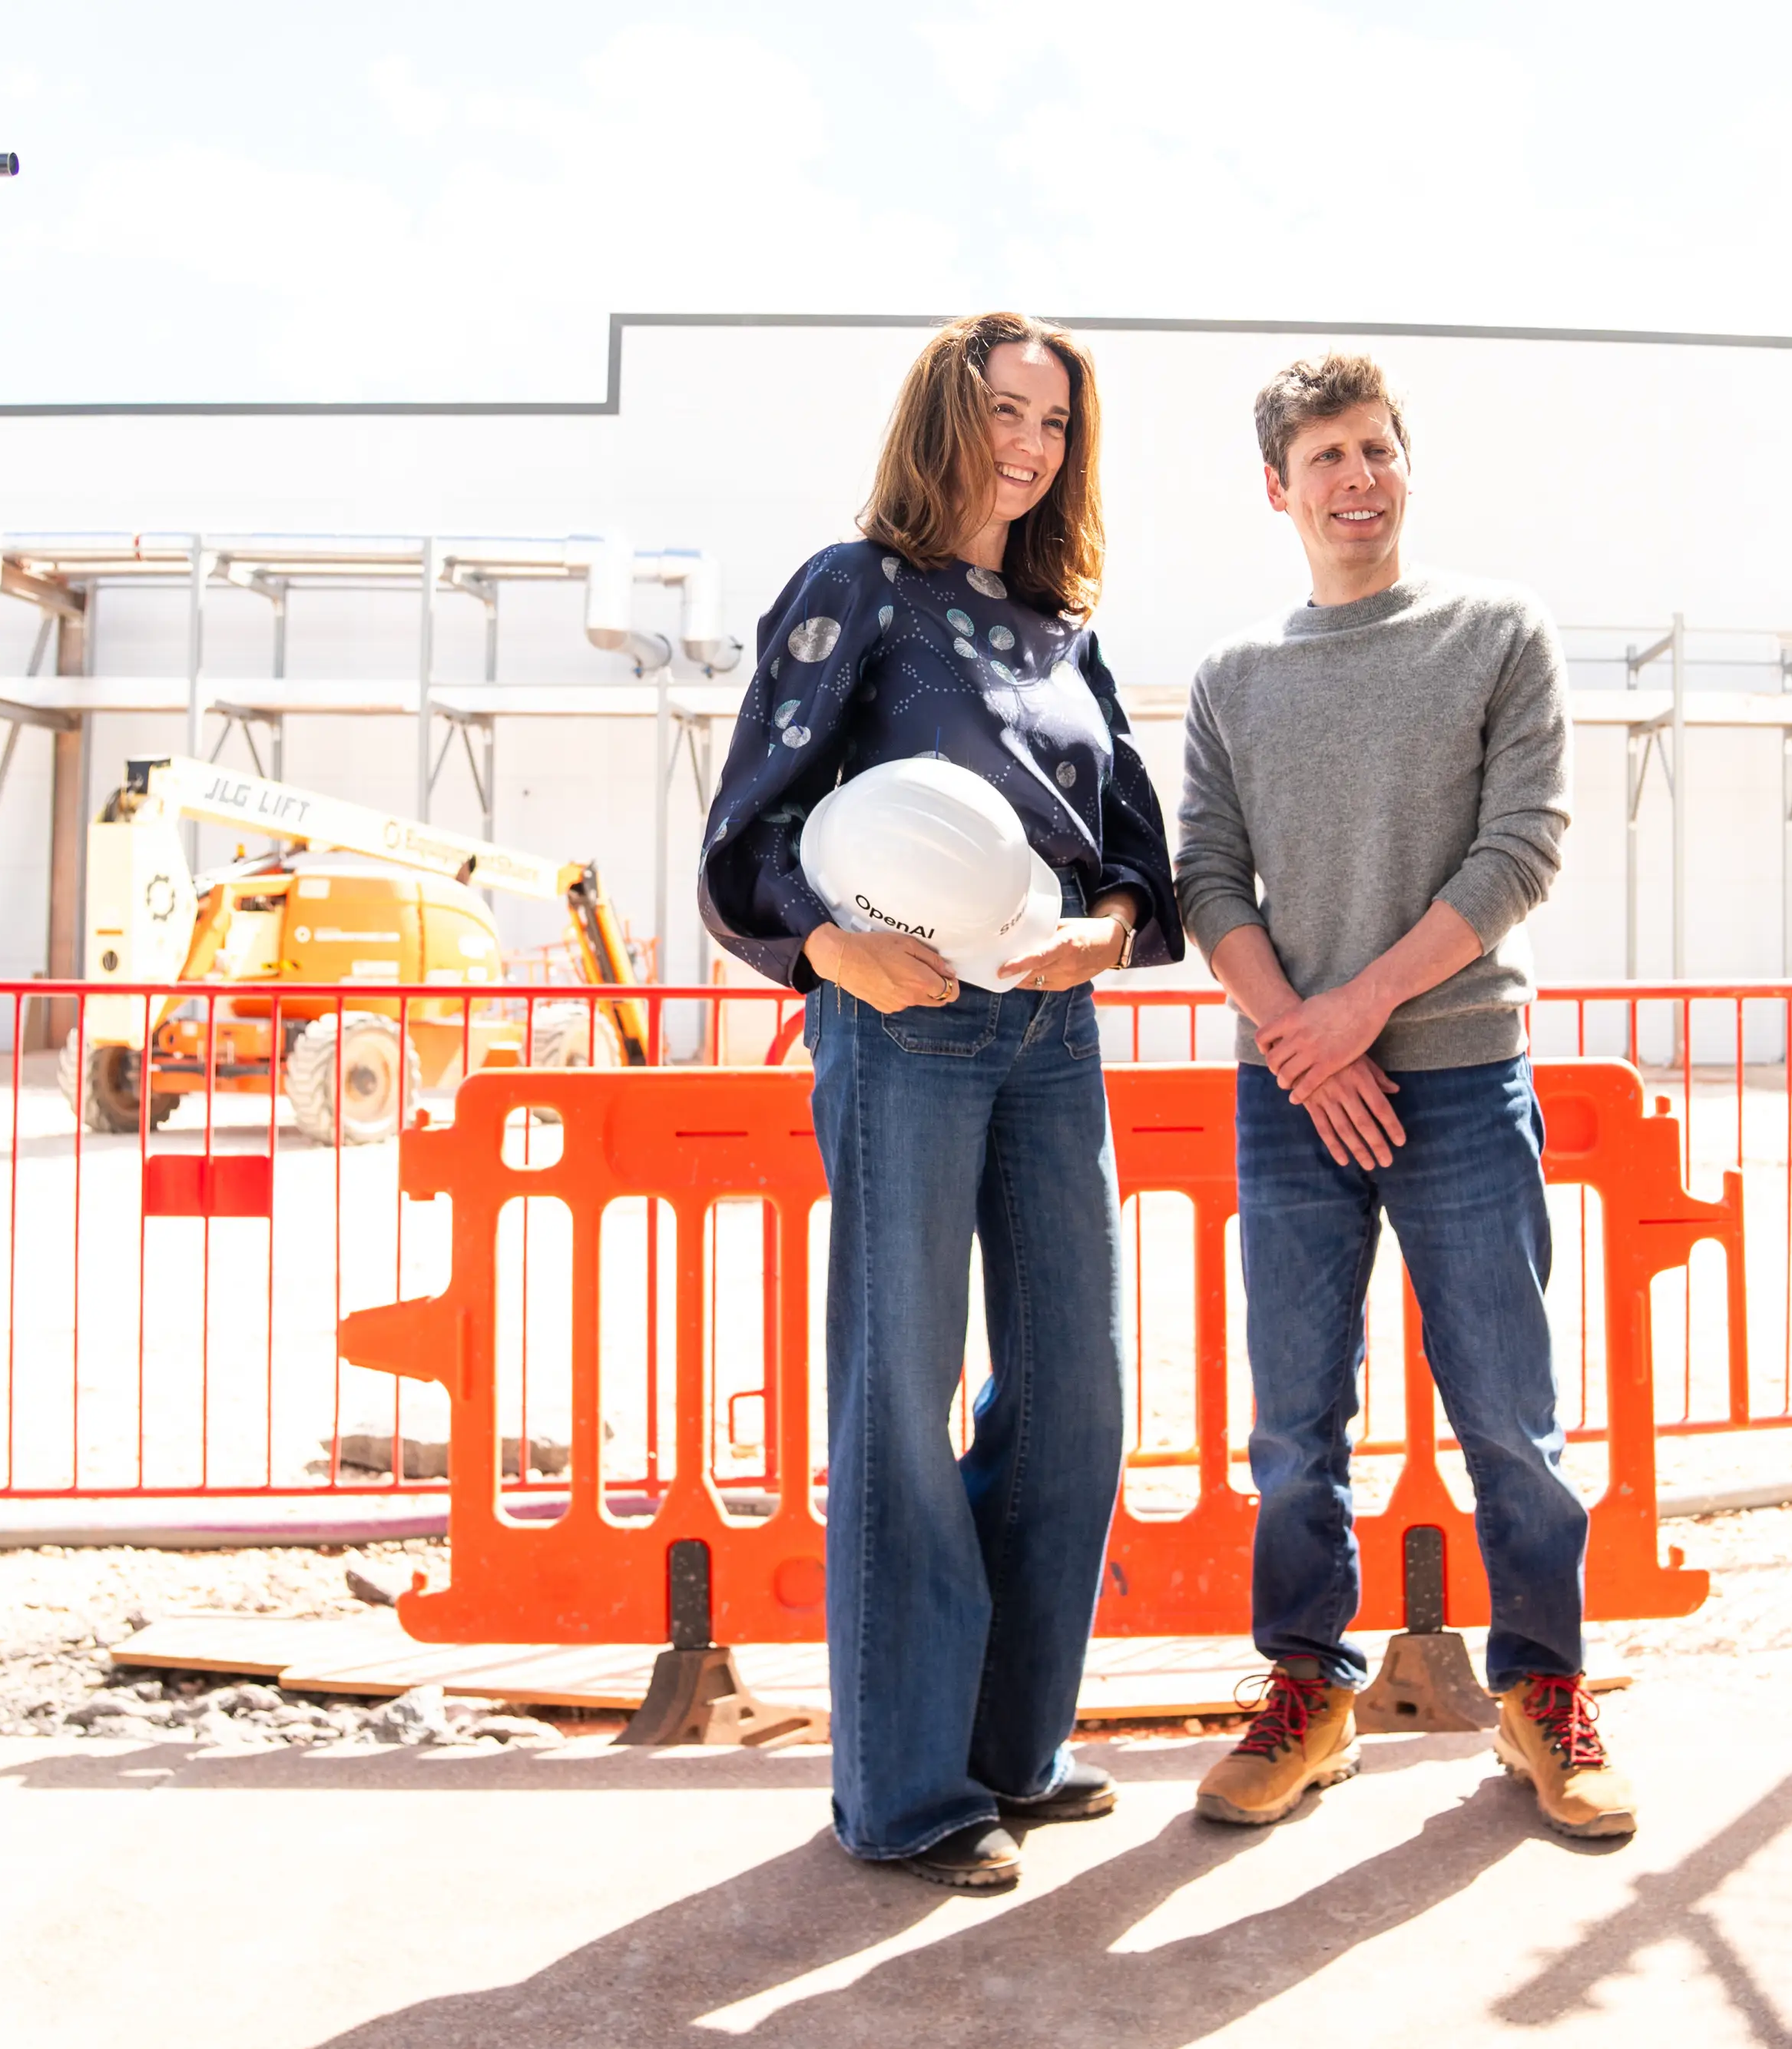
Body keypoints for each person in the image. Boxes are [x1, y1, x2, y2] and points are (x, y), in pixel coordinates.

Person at [700, 311, 1181, 1891]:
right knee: (896, 1397)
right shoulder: (853, 593)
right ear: (939, 420)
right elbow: (748, 835)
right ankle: (905, 1788)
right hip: (899, 1026)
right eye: (1000, 413)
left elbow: (1127, 854)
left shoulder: (1063, 633)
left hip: (1045, 1033)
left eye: (1053, 423)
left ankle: (1011, 1751)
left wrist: (1102, 932)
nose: (1027, 447)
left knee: (1072, 1397)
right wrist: (834, 949)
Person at [1176, 352, 1638, 1840]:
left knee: (1508, 1415)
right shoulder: (1232, 680)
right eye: (1324, 457)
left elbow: (1521, 847)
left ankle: (1541, 1697)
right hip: (1292, 1099)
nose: (1355, 477)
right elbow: (1200, 879)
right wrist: (1301, 1046)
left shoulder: (1495, 633)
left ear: (1403, 467)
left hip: (1454, 1078)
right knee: (1292, 1426)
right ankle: (1306, 1694)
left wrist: (1351, 1013)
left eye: (1375, 448)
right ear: (1277, 488)